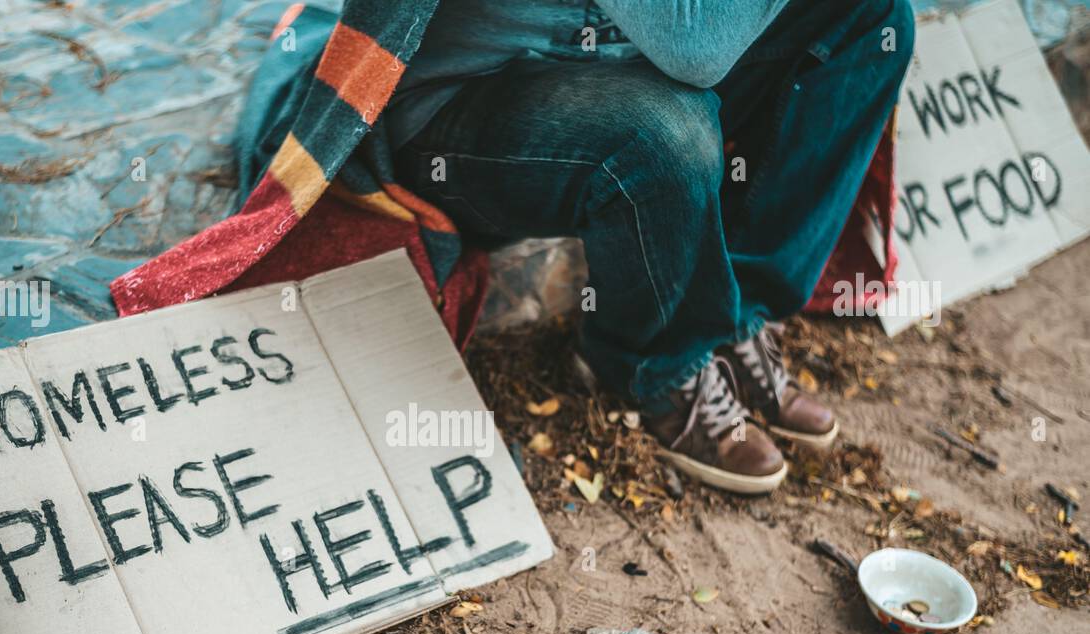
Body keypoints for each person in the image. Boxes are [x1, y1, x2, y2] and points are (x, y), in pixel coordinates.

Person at [386, 0, 915, 493]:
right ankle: (656, 366)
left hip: (616, 62)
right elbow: (695, 48)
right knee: (668, 133)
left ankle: (737, 318)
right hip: (467, 105)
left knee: (874, 18)